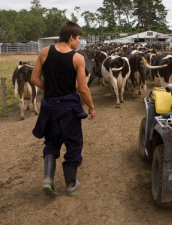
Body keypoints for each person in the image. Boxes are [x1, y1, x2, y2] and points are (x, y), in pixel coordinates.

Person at [31, 21, 96, 197]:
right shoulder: (77, 58)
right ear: (71, 37)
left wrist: (52, 90)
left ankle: (48, 180)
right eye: (79, 39)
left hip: (49, 107)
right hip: (69, 109)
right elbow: (83, 89)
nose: (79, 43)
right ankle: (70, 184)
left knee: (51, 142)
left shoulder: (45, 52)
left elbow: (35, 79)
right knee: (74, 144)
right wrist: (91, 107)